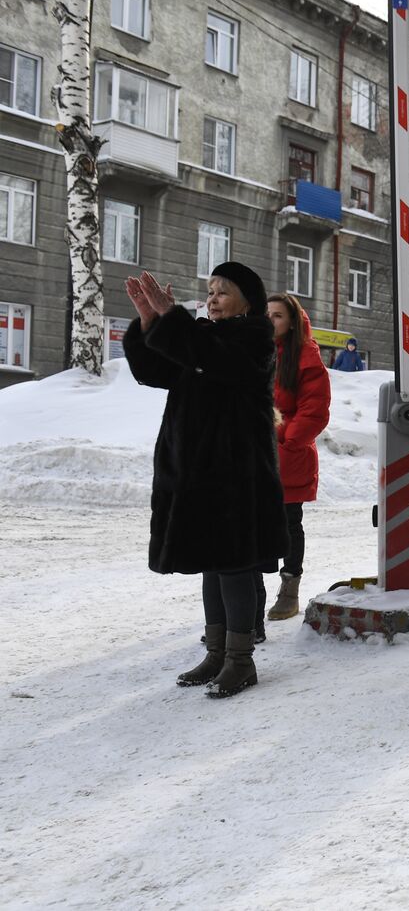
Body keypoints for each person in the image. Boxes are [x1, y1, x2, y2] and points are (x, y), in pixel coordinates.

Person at [121, 263, 287, 699]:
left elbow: (212, 359)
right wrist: (148, 322)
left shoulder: (254, 338)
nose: (212, 298)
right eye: (210, 291)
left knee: (232, 565)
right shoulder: (201, 336)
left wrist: (170, 318)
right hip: (196, 472)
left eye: (223, 292)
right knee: (211, 565)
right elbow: (153, 371)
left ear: (247, 301)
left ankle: (240, 660)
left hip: (236, 472)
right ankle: (216, 653)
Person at [263, 292, 331, 623]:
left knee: (289, 523)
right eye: (266, 314)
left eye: (277, 315)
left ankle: (289, 591)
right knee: (254, 524)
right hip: (254, 452)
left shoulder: (305, 356)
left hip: (287, 454)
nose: (270, 320)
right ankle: (250, 595)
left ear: (291, 322)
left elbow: (314, 410)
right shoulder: (255, 351)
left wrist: (286, 439)